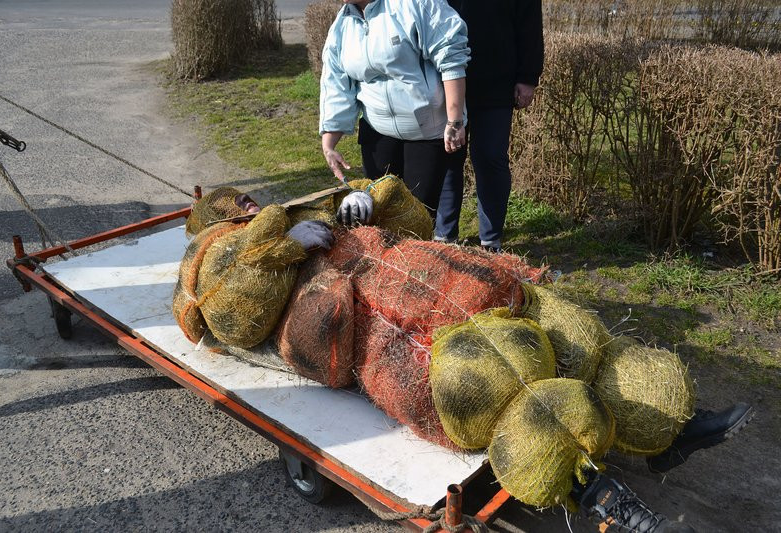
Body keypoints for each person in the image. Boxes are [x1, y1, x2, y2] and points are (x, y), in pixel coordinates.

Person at [175, 184, 752, 533]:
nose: (248, 204)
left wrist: (365, 199)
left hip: (424, 270)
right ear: (216, 223)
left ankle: (662, 431)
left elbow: (415, 218)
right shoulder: (210, 258)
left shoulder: (304, 210)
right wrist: (278, 247)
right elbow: (232, 314)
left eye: (248, 198)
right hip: (369, 321)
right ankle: (593, 490)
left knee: (558, 324)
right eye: (235, 206)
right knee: (484, 379)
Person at [319, 0, 470, 216]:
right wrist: (329, 144)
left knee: (417, 217)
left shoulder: (415, 4)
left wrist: (455, 121)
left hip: (426, 134)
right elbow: (337, 84)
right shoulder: (342, 25)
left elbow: (452, 57)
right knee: (380, 213)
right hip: (378, 134)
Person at [435, 0, 544, 251]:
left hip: (497, 81)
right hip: (446, 82)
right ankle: (444, 237)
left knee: (490, 158)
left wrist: (528, 76)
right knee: (448, 156)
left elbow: (529, 23)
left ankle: (491, 240)